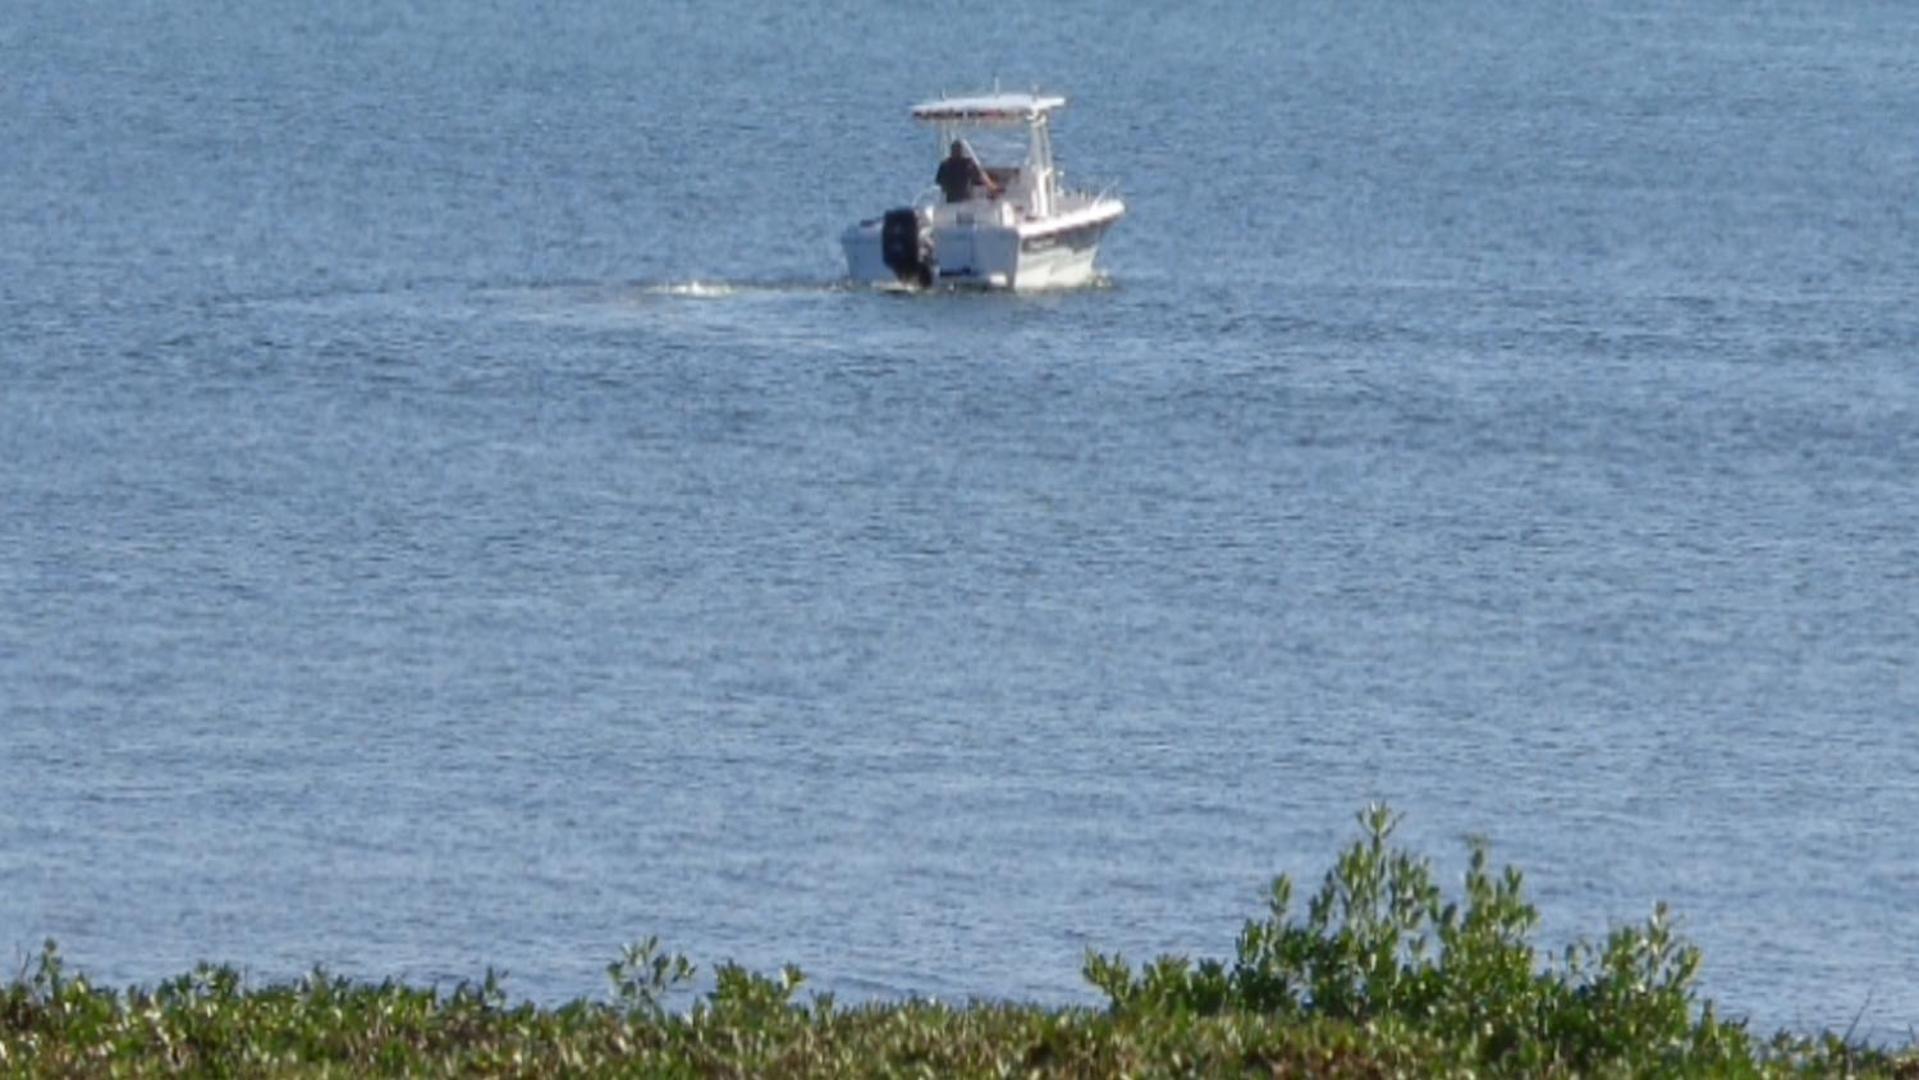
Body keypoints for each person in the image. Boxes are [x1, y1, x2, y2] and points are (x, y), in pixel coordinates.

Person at [935, 139, 999, 204]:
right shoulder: (968, 164)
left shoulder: (944, 165)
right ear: (962, 151)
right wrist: (993, 187)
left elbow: (939, 181)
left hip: (950, 202)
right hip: (966, 201)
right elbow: (981, 178)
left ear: (951, 151)